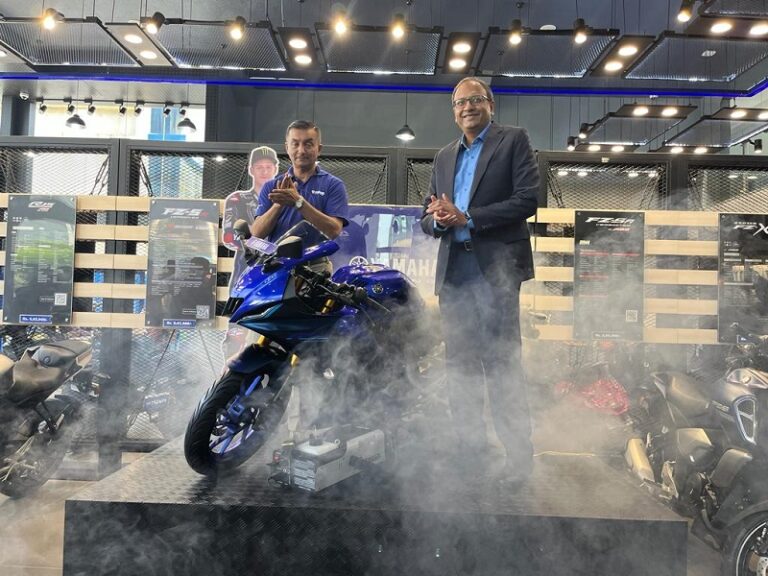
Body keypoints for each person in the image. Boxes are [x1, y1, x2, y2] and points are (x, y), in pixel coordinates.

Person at [420, 77, 539, 487]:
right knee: (460, 370)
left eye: (475, 100)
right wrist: (439, 220)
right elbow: (426, 215)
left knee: (502, 368)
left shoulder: (513, 140)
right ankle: (470, 454)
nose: (467, 107)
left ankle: (519, 461)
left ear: (491, 104)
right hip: (455, 275)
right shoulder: (443, 156)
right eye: (460, 102)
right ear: (453, 112)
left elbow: (528, 200)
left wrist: (468, 218)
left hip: (496, 274)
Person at [251, 120, 348, 242]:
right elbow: (256, 233)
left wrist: (298, 202)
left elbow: (334, 231)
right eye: (295, 144)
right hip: (278, 255)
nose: (301, 150)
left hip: (316, 255)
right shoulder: (272, 186)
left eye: (308, 144)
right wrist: (278, 204)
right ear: (287, 148)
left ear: (319, 149)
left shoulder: (333, 185)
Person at [222, 146, 280, 288]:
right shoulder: (237, 199)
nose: (264, 171)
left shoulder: (284, 200)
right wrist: (266, 246)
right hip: (246, 272)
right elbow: (229, 236)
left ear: (275, 169)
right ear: (251, 170)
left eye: (268, 167)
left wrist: (252, 236)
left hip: (278, 270)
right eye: (259, 167)